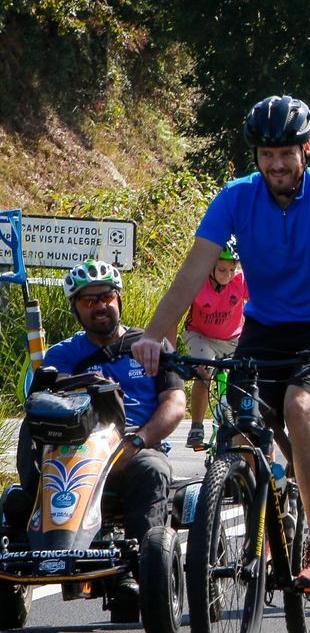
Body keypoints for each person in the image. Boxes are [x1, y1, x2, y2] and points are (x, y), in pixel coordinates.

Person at [133, 95, 310, 588]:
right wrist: (154, 333)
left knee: (301, 408)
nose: (276, 164)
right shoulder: (237, 197)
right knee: (239, 423)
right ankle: (267, 520)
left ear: (306, 149)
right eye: (266, 155)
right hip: (262, 328)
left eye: (285, 153)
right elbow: (193, 271)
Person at [19, 260, 186, 610]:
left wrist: (138, 440)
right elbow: (40, 407)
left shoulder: (152, 344)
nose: (99, 306)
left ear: (119, 299)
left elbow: (174, 404)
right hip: (73, 453)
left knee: (153, 470)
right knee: (17, 492)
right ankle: (32, 553)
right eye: (88, 301)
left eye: (106, 296)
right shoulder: (62, 356)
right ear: (76, 308)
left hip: (135, 450)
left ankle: (139, 569)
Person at [182, 240, 248, 449]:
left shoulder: (240, 280)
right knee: (205, 369)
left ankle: (241, 420)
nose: (227, 275)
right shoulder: (197, 281)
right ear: (210, 266)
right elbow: (175, 309)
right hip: (201, 335)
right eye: (221, 269)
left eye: (232, 269)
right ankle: (197, 426)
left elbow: (261, 303)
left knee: (248, 373)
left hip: (233, 337)